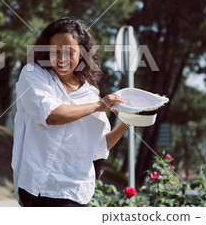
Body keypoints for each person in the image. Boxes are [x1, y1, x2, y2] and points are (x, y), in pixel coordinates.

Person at [11, 17, 128, 207]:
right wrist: (98, 106)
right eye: (54, 51)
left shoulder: (90, 93)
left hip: (74, 190)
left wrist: (128, 121)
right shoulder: (33, 75)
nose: (61, 58)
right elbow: (50, 115)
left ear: (81, 54)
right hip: (36, 188)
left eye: (69, 52)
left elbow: (100, 145)